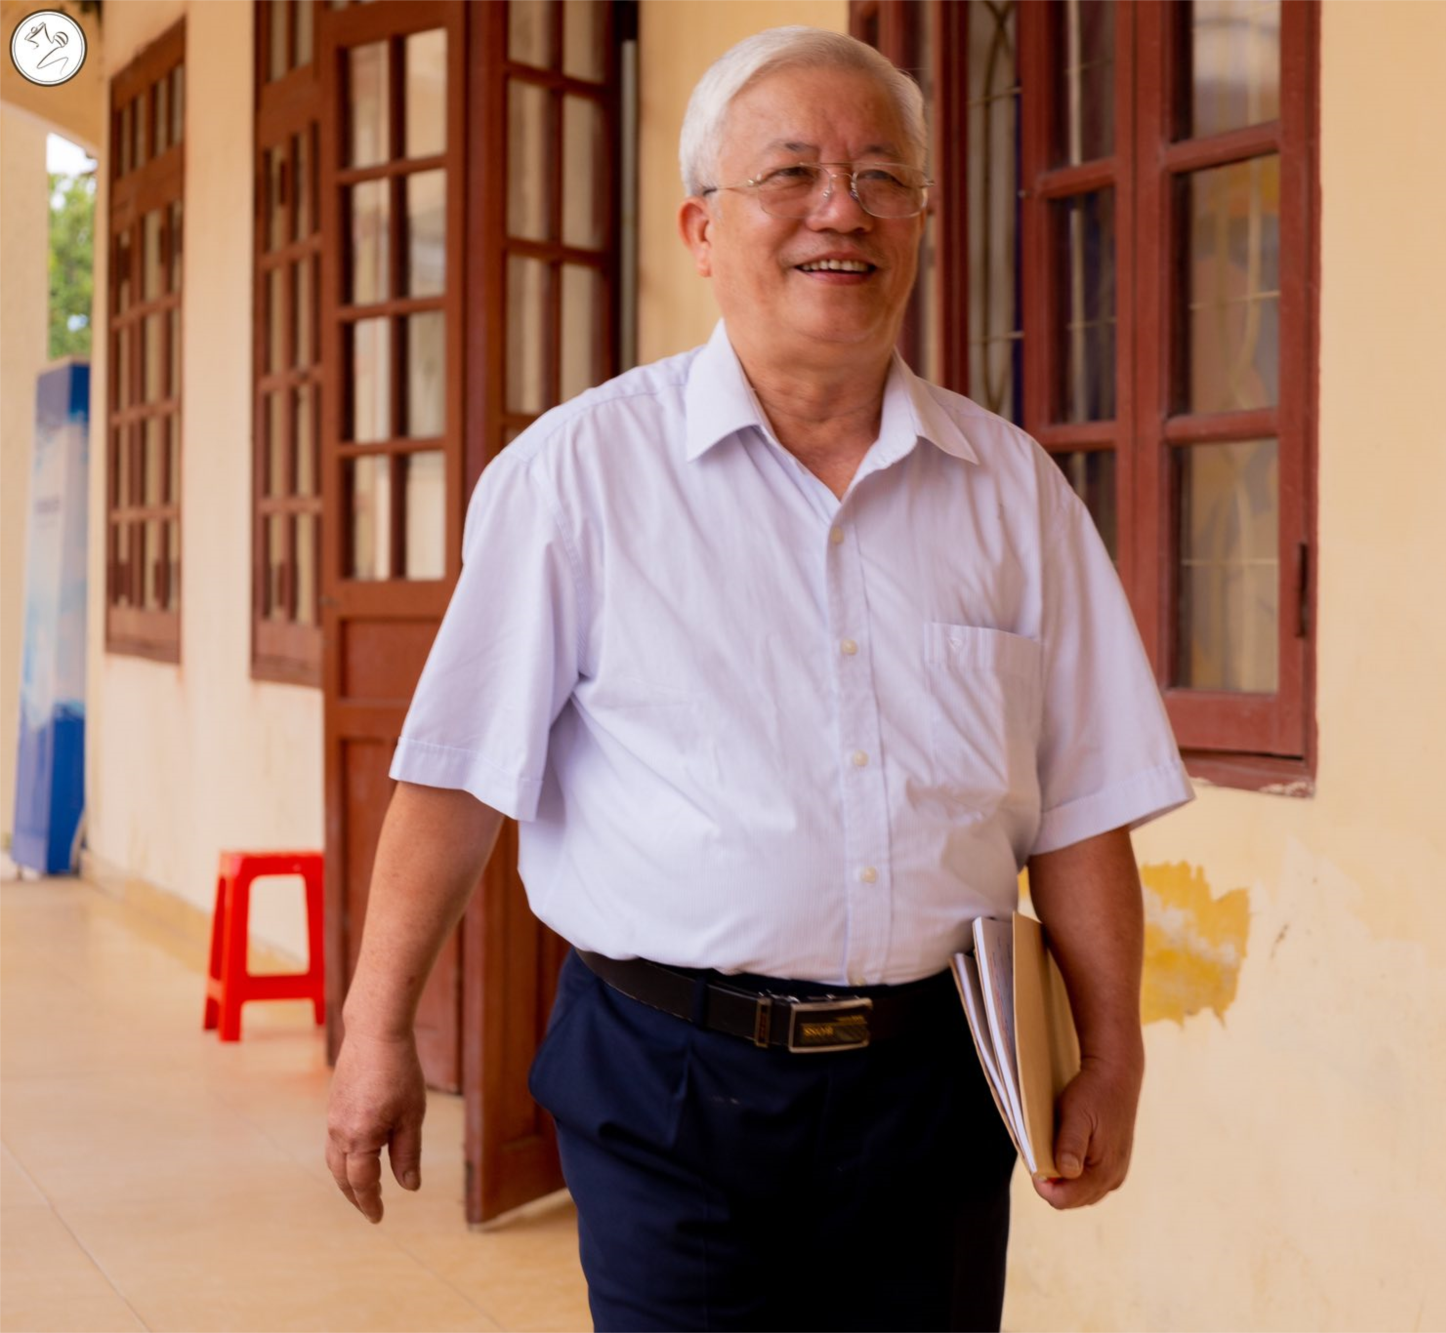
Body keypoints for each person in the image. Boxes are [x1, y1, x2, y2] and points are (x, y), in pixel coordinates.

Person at [323, 24, 1191, 1332]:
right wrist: (377, 1028)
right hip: (666, 1078)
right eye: (791, 174)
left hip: (935, 1084)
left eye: (883, 178)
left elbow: (1082, 806)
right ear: (701, 229)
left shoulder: (1012, 493)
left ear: (920, 222)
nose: (842, 210)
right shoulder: (577, 478)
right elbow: (456, 779)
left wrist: (1112, 1050)